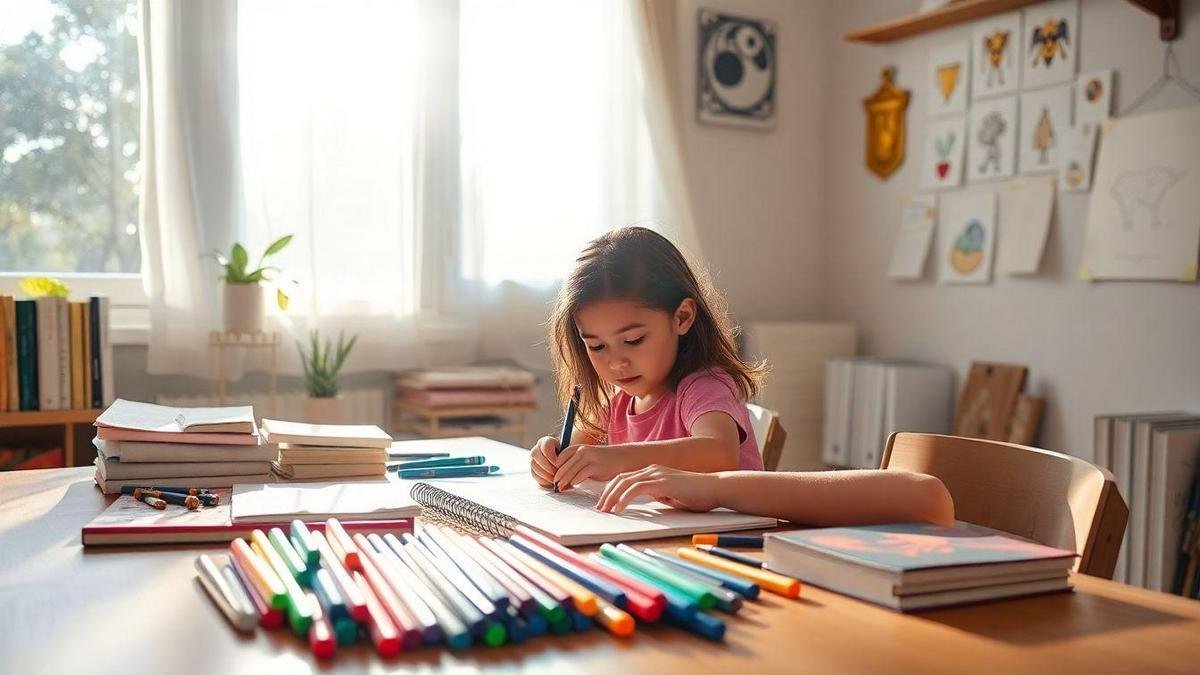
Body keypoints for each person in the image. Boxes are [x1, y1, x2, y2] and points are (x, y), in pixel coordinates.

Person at [530, 226, 954, 527]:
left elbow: (717, 454)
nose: (616, 363)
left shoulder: (703, 385)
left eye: (634, 339)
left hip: (733, 541)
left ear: (682, 317)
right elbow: (582, 452)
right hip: (670, 545)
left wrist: (615, 459)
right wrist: (554, 457)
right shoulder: (619, 401)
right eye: (598, 347)